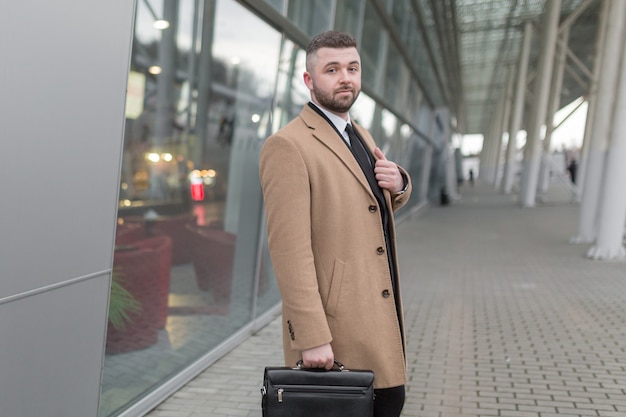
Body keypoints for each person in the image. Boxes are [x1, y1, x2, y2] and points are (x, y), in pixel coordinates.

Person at [259, 31, 412, 417]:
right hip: (336, 331)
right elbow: (289, 250)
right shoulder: (288, 145)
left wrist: (400, 183)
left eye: (352, 68)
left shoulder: (358, 133)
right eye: (332, 69)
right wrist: (310, 338)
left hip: (378, 314)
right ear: (309, 80)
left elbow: (367, 198)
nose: (345, 77)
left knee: (391, 403)